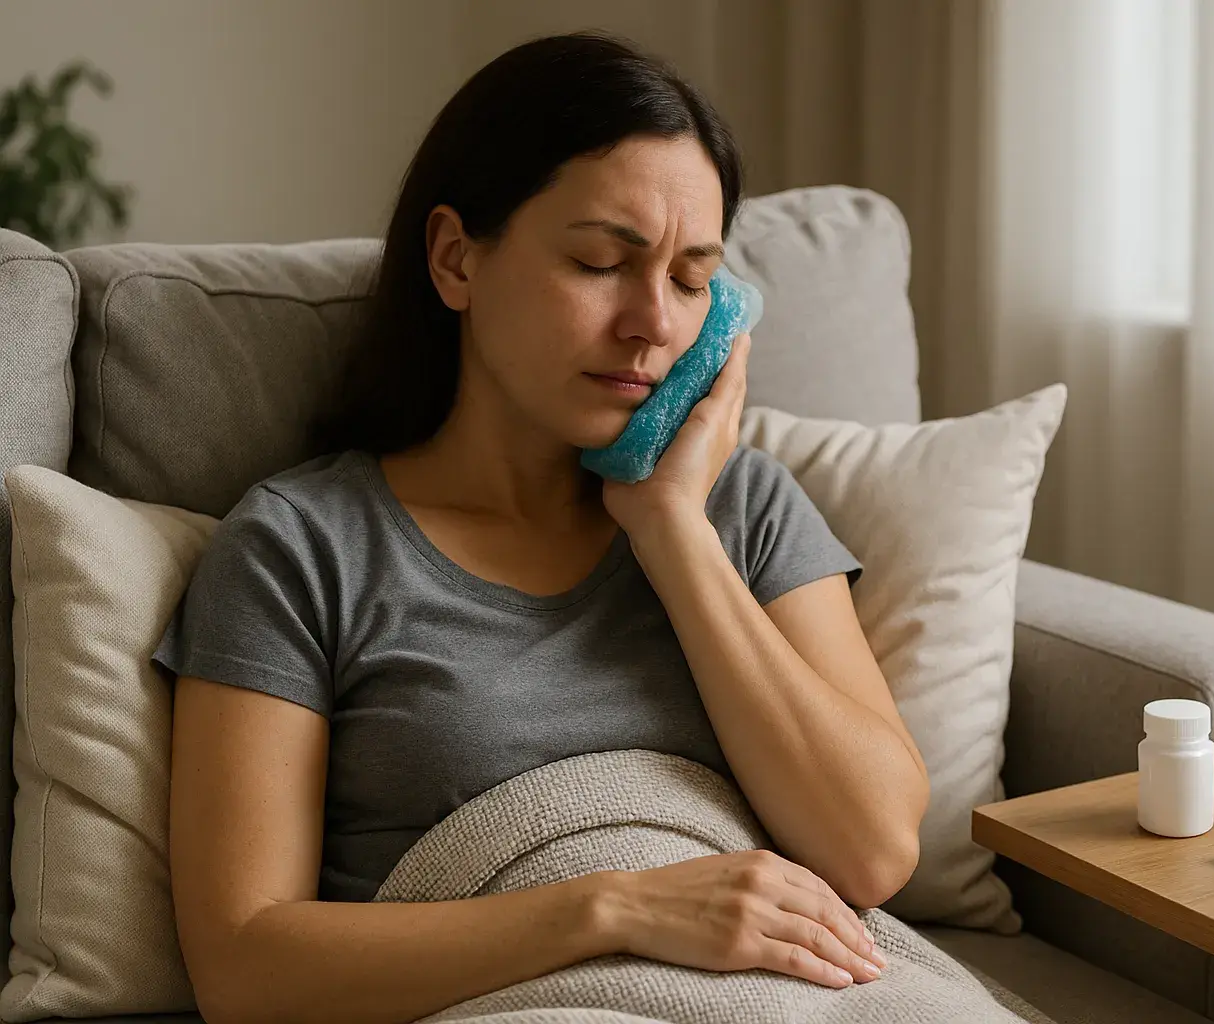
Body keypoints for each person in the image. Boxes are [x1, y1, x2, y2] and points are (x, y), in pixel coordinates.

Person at [156, 32, 929, 1024]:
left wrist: (671, 530)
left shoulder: (743, 508)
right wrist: (613, 908)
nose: (653, 321)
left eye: (694, 280)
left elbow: (873, 849)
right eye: (602, 261)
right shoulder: (303, 547)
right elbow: (244, 966)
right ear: (455, 258)